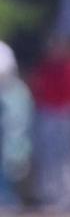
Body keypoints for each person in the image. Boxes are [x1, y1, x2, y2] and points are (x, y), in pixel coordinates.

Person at [27, 34, 70, 210]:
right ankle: (51, 195)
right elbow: (37, 87)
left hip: (69, 113)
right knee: (50, 155)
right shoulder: (46, 66)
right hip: (49, 113)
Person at [0, 40, 33, 208]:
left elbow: (17, 126)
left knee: (10, 168)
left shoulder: (16, 93)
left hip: (11, 144)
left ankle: (8, 201)